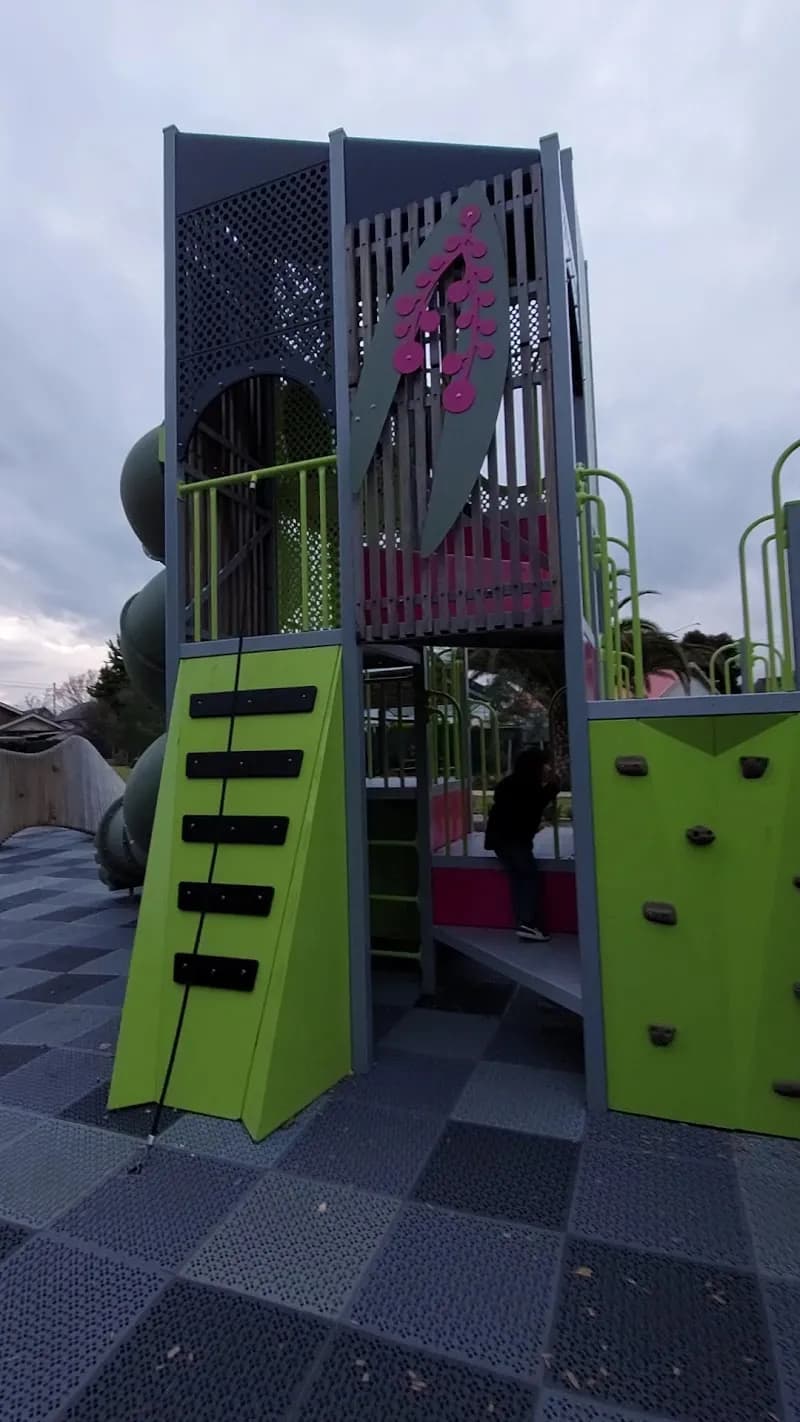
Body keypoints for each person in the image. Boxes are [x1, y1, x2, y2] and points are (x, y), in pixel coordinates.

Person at [484, 746, 559, 942]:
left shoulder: (509, 783)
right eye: (544, 766)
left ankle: (524, 923)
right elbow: (534, 806)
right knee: (528, 879)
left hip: (499, 841)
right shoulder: (528, 786)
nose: (546, 770)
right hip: (515, 840)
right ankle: (529, 923)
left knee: (518, 880)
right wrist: (552, 788)